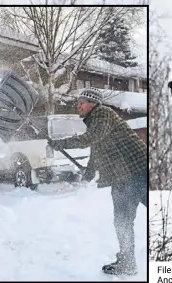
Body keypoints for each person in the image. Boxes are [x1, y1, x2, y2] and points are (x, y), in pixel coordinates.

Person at [48, 88, 147, 276]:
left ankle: (130, 261)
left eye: (82, 102)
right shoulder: (96, 120)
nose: (78, 105)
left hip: (134, 172)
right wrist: (88, 173)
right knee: (122, 221)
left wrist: (63, 142)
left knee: (124, 221)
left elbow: (92, 138)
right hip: (124, 175)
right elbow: (97, 148)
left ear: (92, 103)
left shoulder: (103, 113)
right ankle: (127, 261)